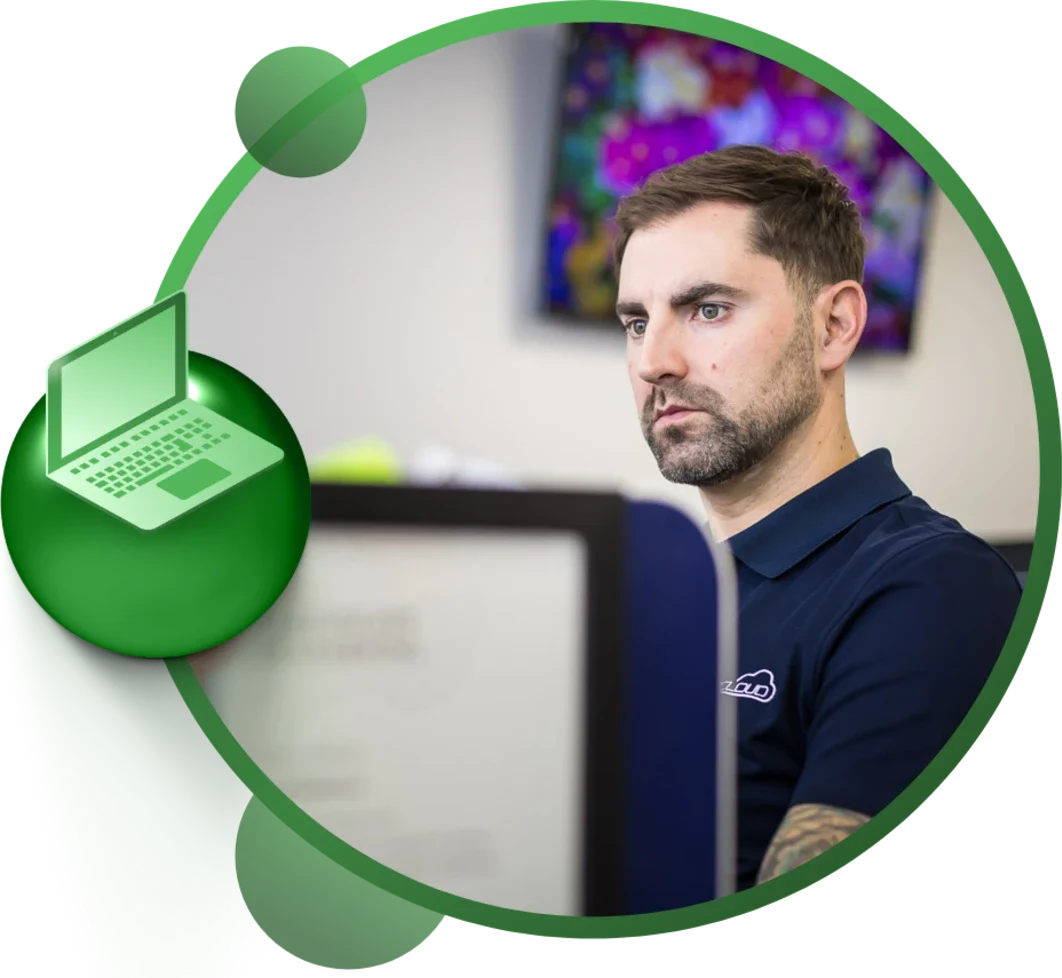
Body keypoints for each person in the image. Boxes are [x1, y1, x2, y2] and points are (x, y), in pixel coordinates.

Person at [612, 145, 1023, 892]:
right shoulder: (663, 585)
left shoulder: (933, 589)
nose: (654, 361)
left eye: (707, 309)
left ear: (834, 325)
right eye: (637, 322)